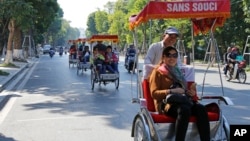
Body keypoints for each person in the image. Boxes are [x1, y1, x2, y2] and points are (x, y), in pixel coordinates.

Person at [149, 46, 210, 141]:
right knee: (184, 109)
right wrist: (171, 91)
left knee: (201, 108)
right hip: (166, 104)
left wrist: (190, 92)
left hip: (182, 100)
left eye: (175, 55)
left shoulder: (178, 72)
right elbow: (154, 93)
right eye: (169, 55)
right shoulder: (157, 72)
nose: (172, 58)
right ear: (163, 57)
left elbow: (182, 91)